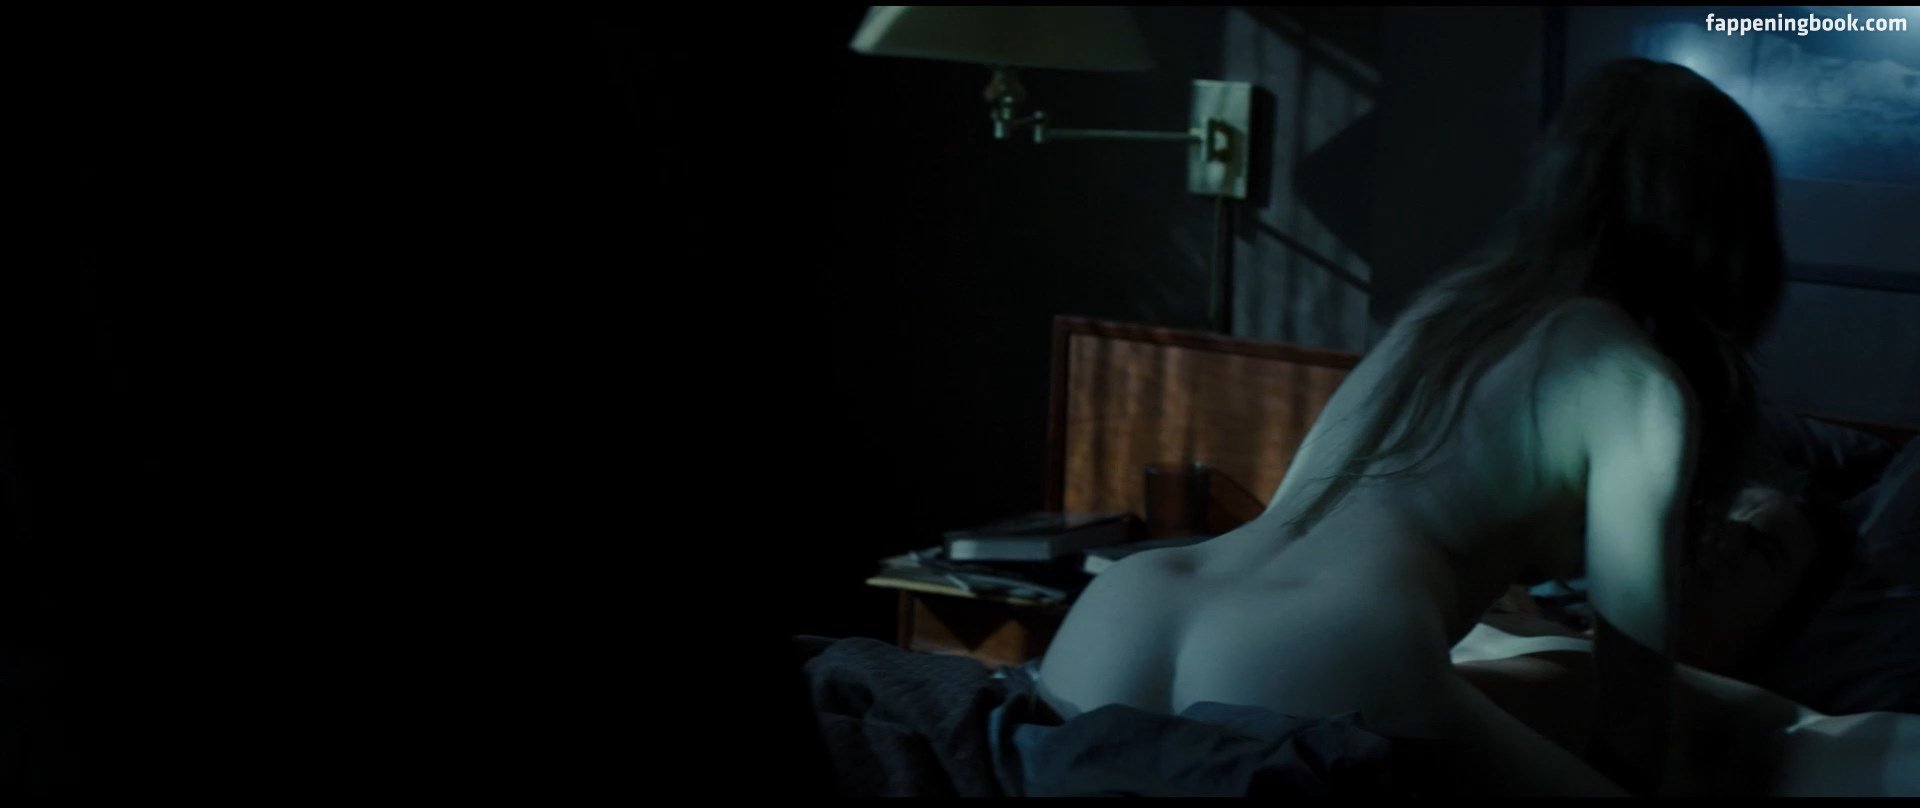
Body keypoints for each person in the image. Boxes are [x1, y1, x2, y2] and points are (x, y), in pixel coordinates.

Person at [1033, 58, 1914, 796]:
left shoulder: (1447, 313)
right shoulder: (1638, 386)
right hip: (1316, 651)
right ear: (1729, 235)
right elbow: (1635, 704)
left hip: (1127, 610)